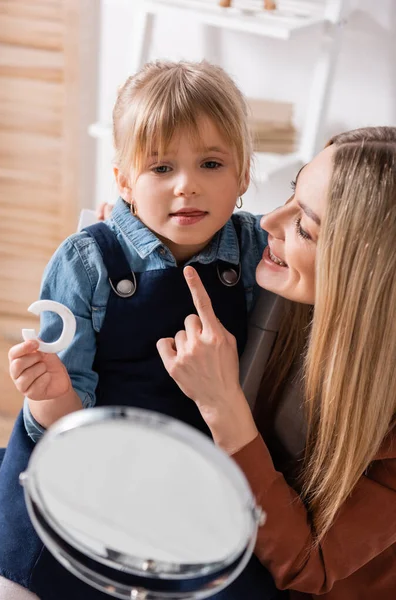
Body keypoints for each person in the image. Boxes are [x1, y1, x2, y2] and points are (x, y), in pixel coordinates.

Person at [0, 61, 281, 600]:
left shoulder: (256, 250)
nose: (187, 186)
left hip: (190, 475)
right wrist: (50, 393)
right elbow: (63, 420)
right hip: (75, 457)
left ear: (244, 174)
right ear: (124, 180)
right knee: (25, 584)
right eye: (161, 168)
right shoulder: (86, 260)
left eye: (211, 163)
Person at [156, 126, 396, 599]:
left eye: (304, 227)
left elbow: (306, 566)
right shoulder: (282, 279)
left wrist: (222, 407)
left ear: (361, 269)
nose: (270, 220)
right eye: (292, 191)